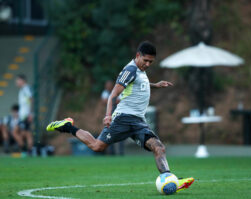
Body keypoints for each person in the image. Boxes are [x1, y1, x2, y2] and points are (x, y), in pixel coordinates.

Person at [46, 41, 194, 191]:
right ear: (138, 56)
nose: (148, 64)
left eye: (151, 62)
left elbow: (138, 83)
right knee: (97, 146)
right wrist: (108, 115)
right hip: (123, 118)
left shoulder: (140, 70)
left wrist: (156, 84)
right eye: (146, 60)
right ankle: (68, 126)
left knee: (159, 147)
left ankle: (169, 179)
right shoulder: (130, 70)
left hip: (138, 121)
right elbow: (113, 95)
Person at [101, 80, 123, 155]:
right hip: (109, 114)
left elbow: (119, 101)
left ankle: (120, 152)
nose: (108, 86)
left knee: (120, 132)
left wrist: (110, 101)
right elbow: (104, 101)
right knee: (109, 132)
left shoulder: (117, 91)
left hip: (118, 114)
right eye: (107, 85)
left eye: (109, 85)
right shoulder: (105, 92)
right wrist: (113, 100)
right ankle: (111, 152)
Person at [15, 74, 33, 155]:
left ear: (23, 81)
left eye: (18, 80)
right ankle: (26, 150)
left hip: (25, 116)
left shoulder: (26, 89)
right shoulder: (22, 90)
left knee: (24, 133)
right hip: (22, 115)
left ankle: (25, 151)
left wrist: (30, 114)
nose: (17, 82)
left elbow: (31, 100)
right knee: (25, 133)